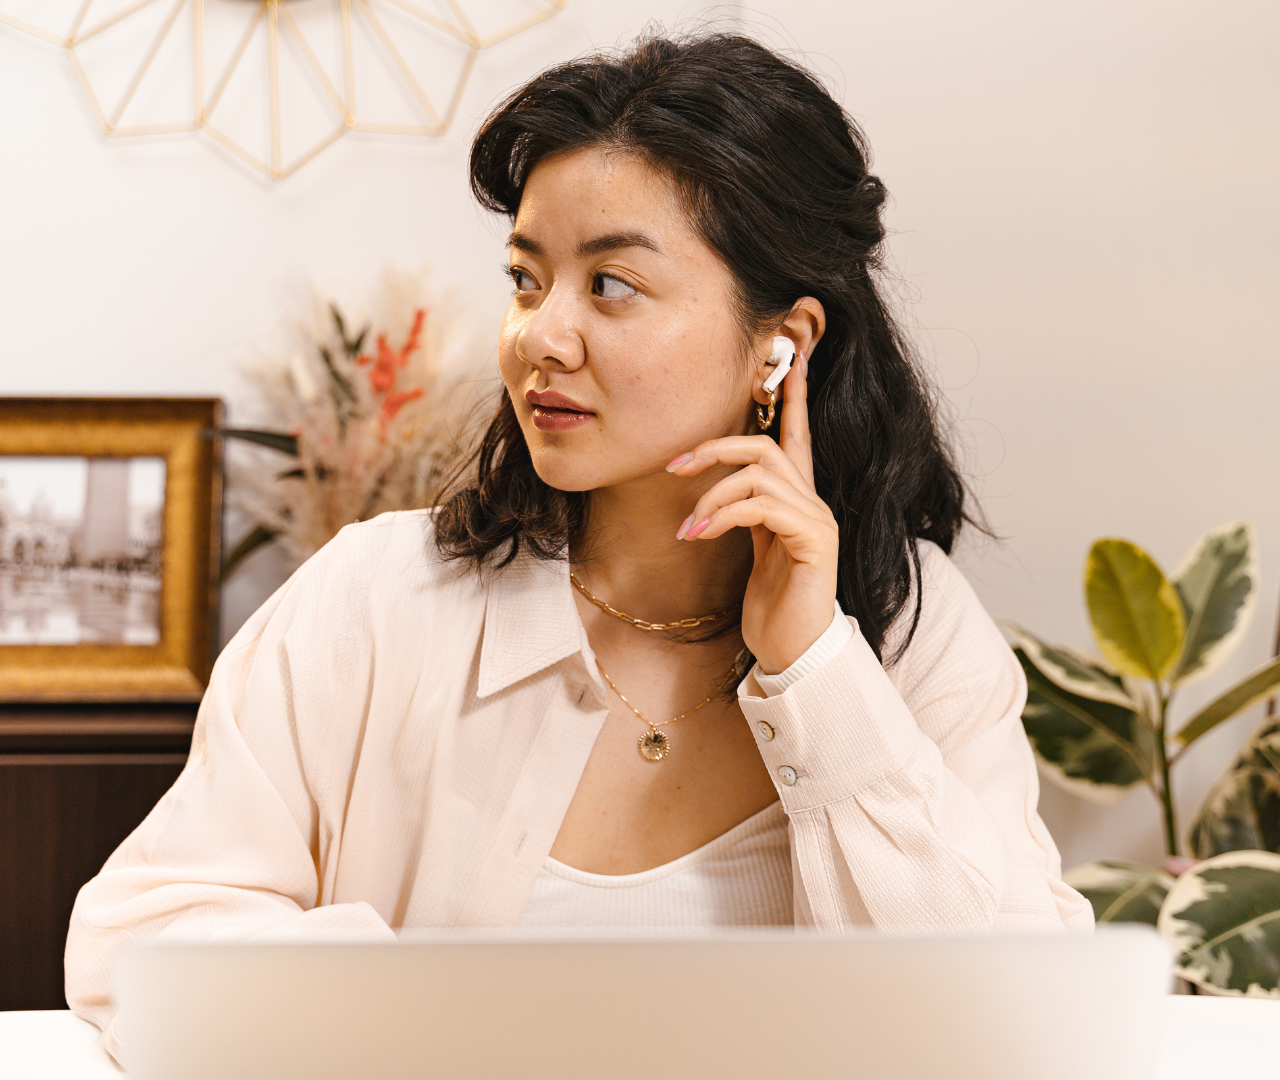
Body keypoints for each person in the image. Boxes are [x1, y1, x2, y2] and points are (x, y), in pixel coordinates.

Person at [66, 31, 1092, 1062]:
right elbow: (144, 948)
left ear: (779, 346)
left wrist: (813, 669)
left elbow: (1008, 1023)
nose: (538, 337)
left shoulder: (908, 626)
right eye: (527, 279)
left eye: (610, 286)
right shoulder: (371, 601)